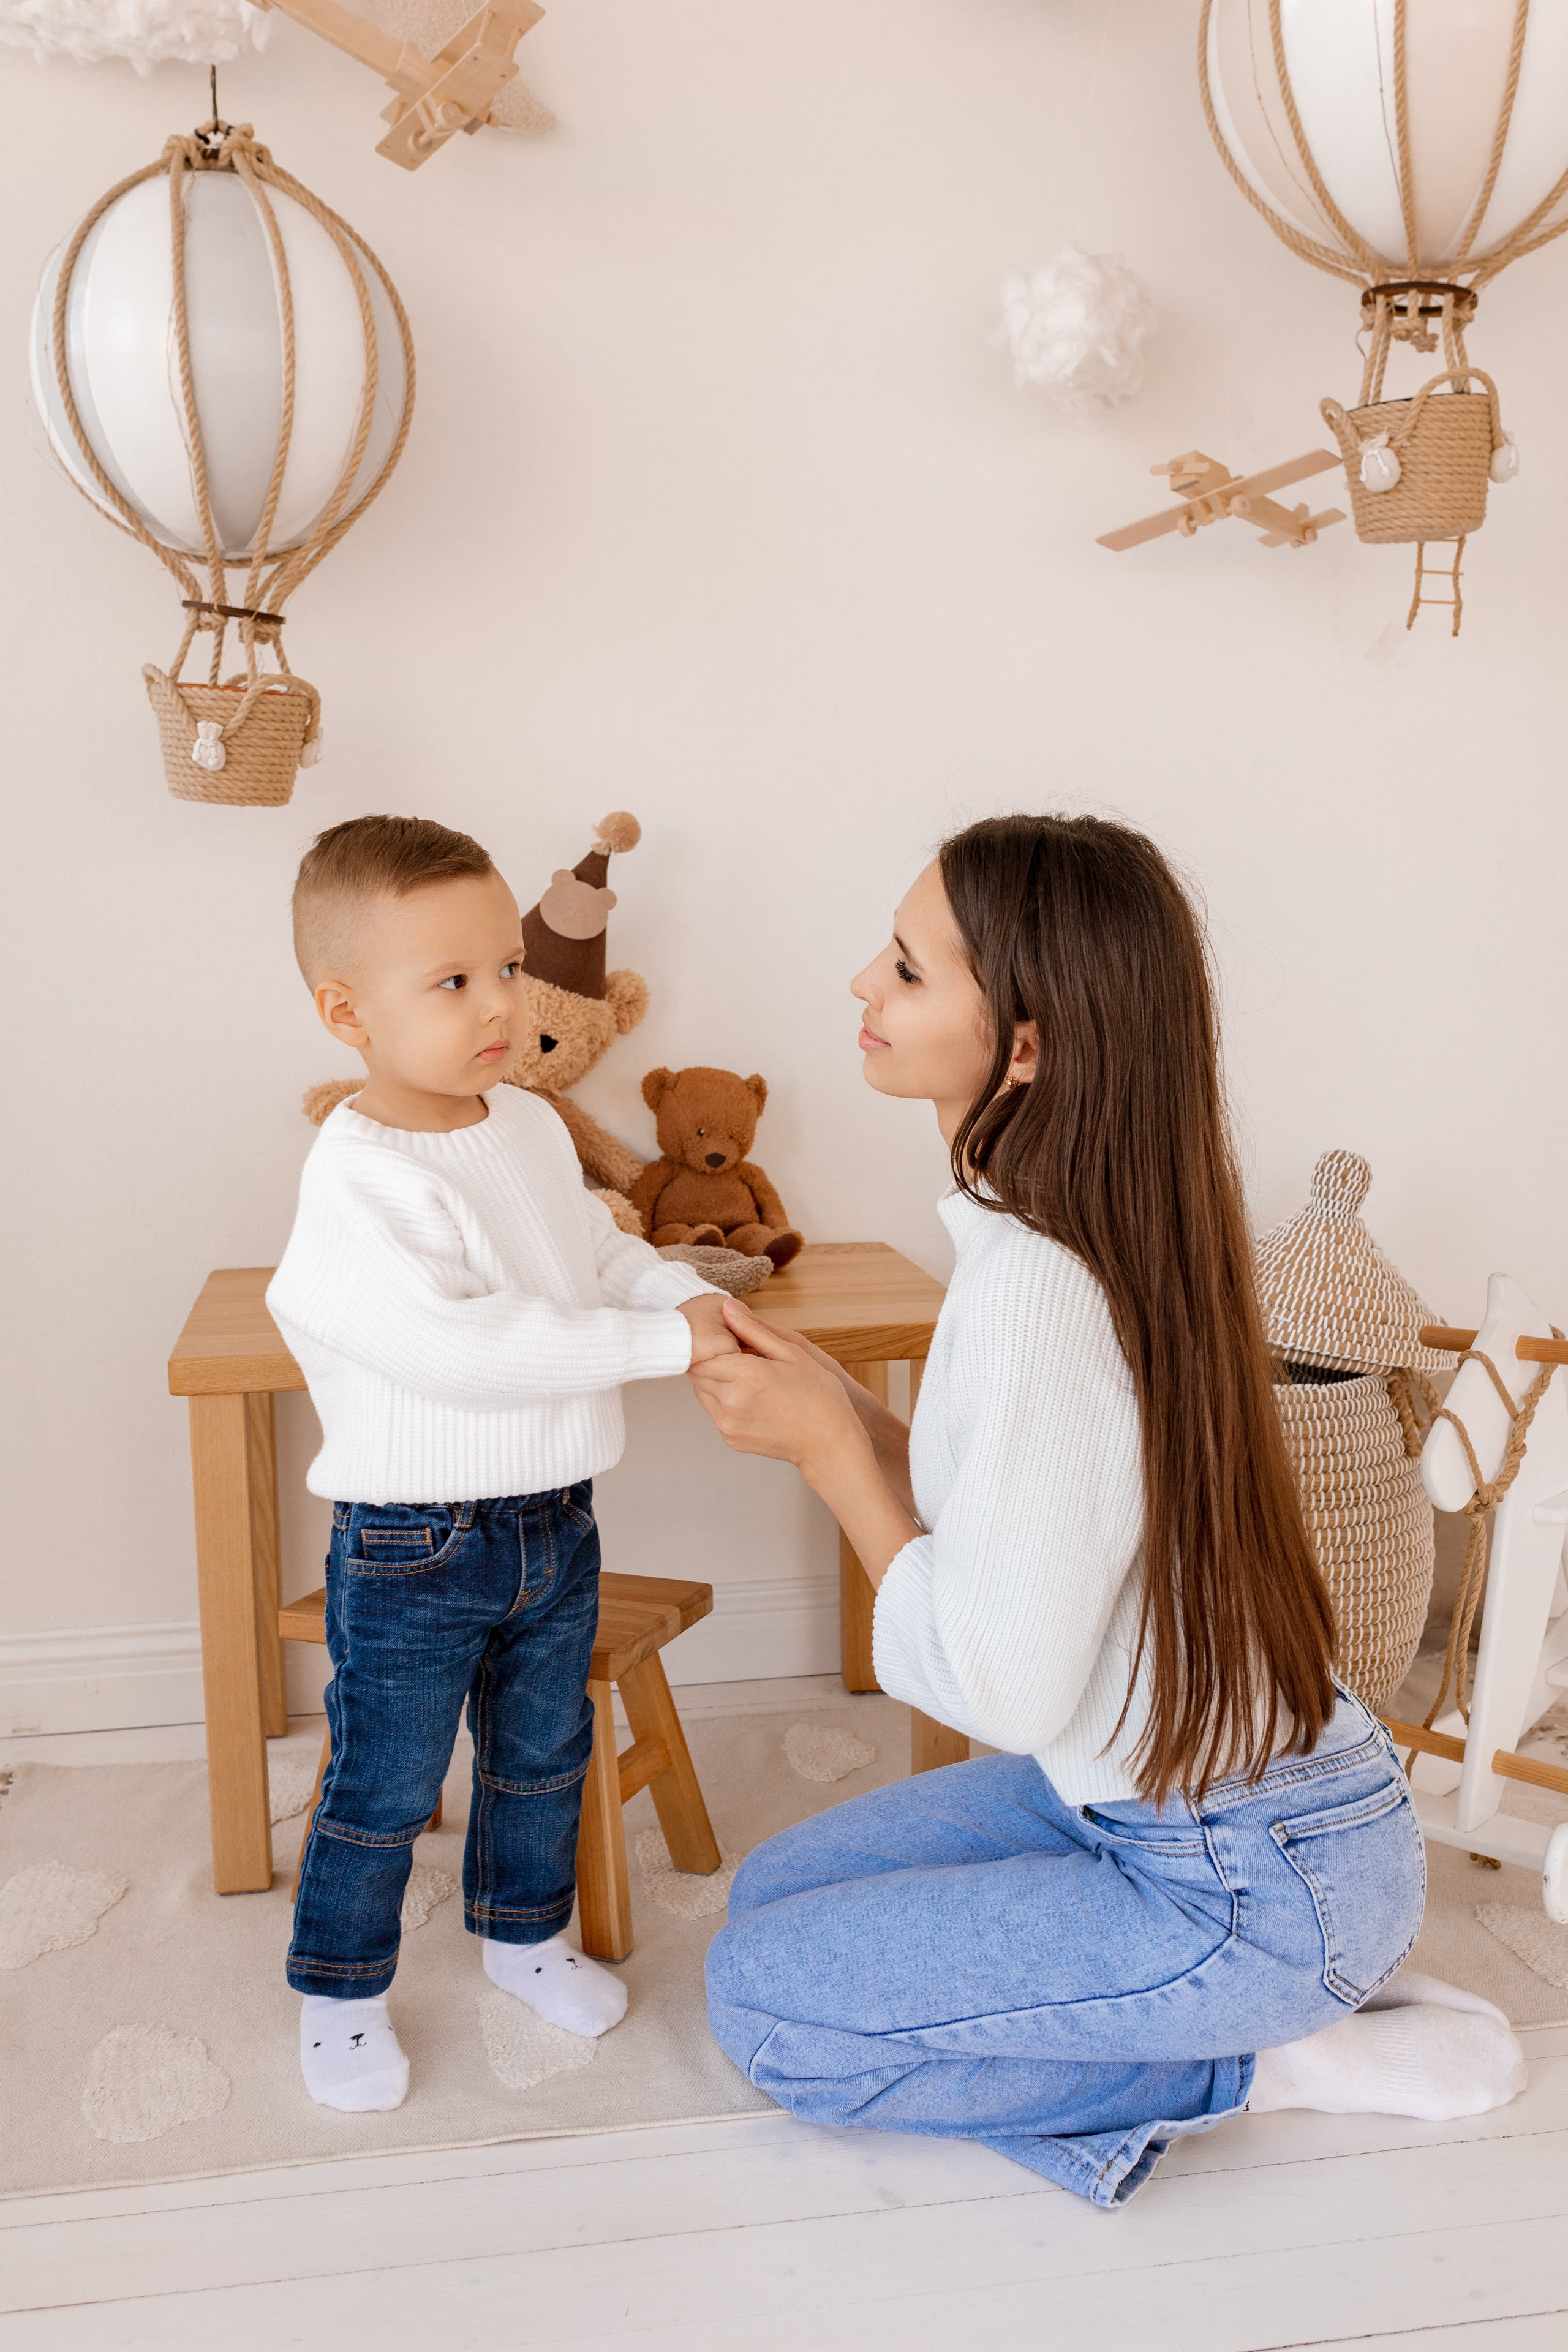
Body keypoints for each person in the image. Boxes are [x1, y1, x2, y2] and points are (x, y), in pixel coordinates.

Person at [690, 812, 1527, 2207]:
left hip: (1239, 1882)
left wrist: (830, 1458)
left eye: (903, 971)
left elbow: (1006, 1689)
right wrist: (844, 1412)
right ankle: (1246, 2004)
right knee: (778, 1898)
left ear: (1021, 1045)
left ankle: (1269, 2061)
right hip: (1196, 1812)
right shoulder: (1085, 1221)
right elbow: (1039, 1516)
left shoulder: (1037, 1279)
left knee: (768, 2012)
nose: (858, 988)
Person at [268, 815, 735, 2114]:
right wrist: (651, 1341)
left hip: (551, 1518)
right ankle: (342, 1989)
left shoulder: (522, 1127)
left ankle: (524, 1934)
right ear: (345, 1010)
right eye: (451, 983)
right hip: (412, 1545)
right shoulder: (360, 1181)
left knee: (541, 1752)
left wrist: (679, 1295)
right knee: (386, 1776)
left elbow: (590, 1254)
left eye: (503, 971)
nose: (497, 1007)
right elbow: (463, 1349)